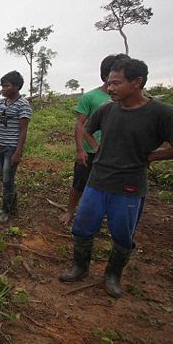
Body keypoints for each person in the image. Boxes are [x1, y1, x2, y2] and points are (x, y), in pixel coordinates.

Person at [58, 58, 173, 298]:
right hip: (98, 180)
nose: (110, 88)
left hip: (129, 185)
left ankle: (112, 276)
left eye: (116, 83)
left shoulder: (160, 113)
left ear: (137, 82)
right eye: (109, 83)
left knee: (122, 233)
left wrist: (153, 156)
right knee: (82, 227)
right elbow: (87, 129)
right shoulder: (107, 109)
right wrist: (96, 148)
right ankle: (80, 267)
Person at [60, 54, 130, 226]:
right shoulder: (91, 98)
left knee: (111, 186)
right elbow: (80, 125)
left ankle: (103, 215)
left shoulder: (128, 101)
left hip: (116, 155)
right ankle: (70, 211)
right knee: (80, 183)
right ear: (107, 75)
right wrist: (80, 149)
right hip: (91, 152)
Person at [0, 71, 32, 222]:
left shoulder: (23, 104)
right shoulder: (1, 104)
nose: (3, 89)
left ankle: (6, 211)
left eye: (6, 86)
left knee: (7, 178)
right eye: (2, 86)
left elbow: (23, 130)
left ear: (16, 86)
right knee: (5, 178)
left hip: (12, 148)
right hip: (1, 146)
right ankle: (12, 206)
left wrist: (18, 152)